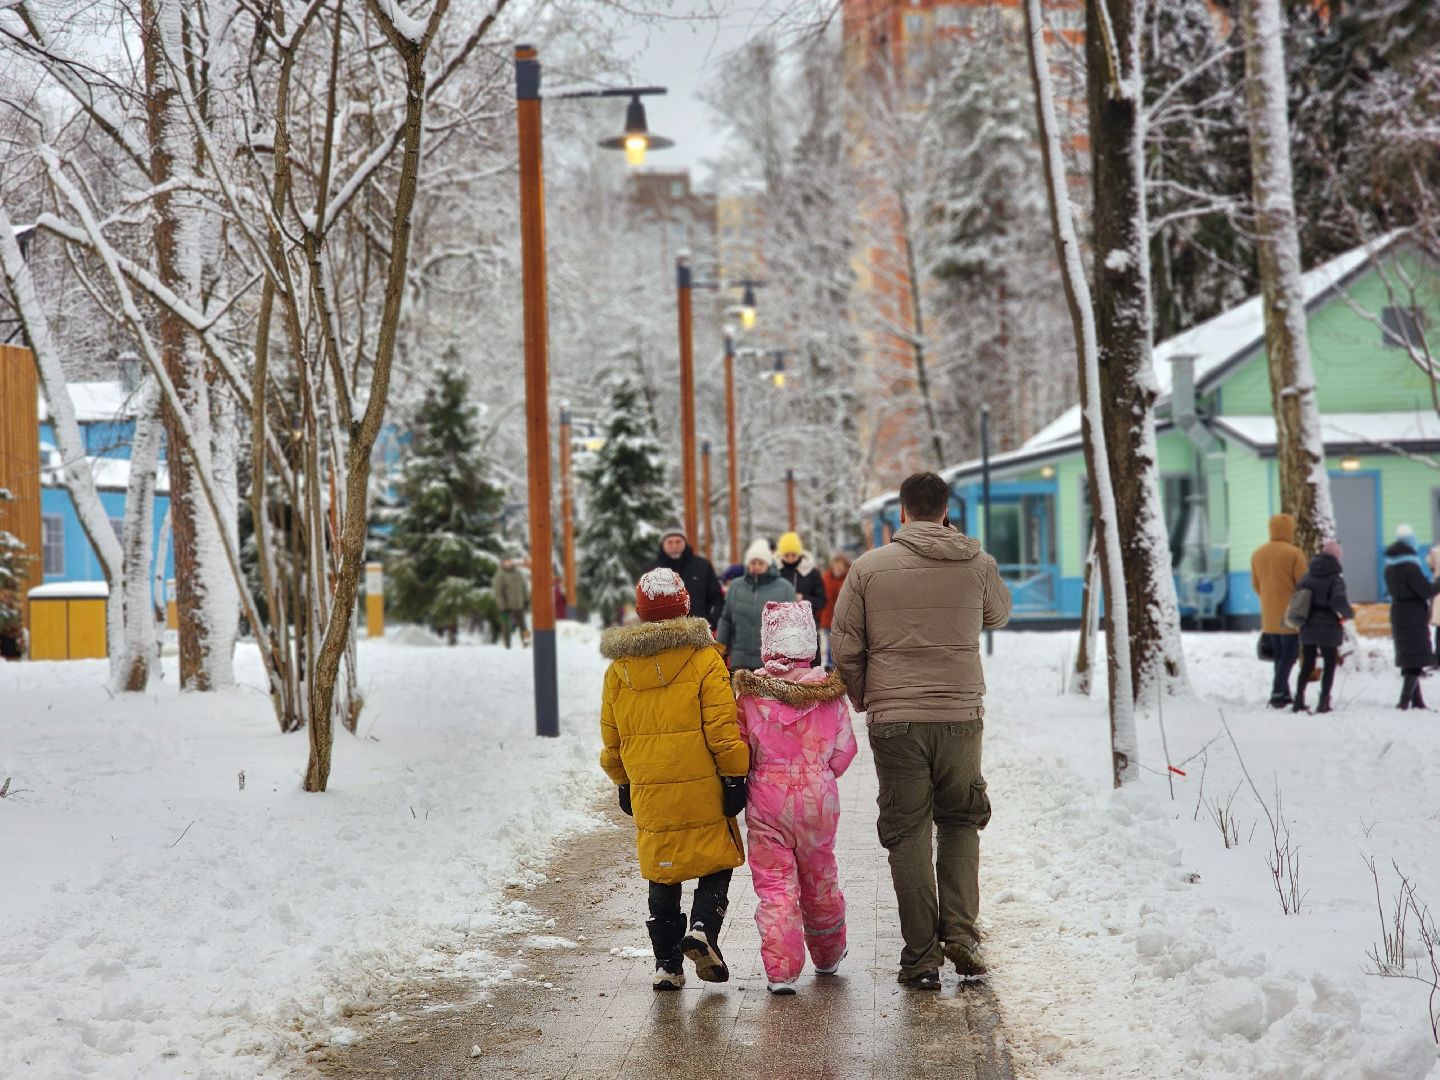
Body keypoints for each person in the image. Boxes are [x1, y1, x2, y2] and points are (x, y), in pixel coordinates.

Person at [831, 472, 1011, 990]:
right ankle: (961, 933)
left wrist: (865, 696)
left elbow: (846, 644)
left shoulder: (868, 568)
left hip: (896, 720)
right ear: (946, 509)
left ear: (902, 512)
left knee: (907, 830)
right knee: (959, 818)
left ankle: (921, 957)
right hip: (959, 715)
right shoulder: (977, 562)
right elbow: (998, 614)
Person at [598, 568, 750, 990]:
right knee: (717, 857)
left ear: (642, 613)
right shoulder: (705, 659)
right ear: (684, 606)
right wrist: (735, 776)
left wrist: (622, 780)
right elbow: (723, 729)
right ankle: (702, 928)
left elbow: (611, 736)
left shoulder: (618, 671)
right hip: (701, 784)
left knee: (662, 868)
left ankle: (667, 964)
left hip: (649, 787)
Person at [734, 601, 857, 995]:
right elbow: (844, 752)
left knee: (774, 887)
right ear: (810, 646)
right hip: (818, 803)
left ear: (768, 646)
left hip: (767, 804)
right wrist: (819, 775)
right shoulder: (829, 697)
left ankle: (782, 970)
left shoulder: (750, 699)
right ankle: (828, 954)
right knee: (820, 878)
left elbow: (740, 750)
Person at [1250, 514, 1309, 708]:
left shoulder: (1258, 553)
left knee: (1279, 656)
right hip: (1290, 613)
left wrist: (1268, 598)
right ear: (1289, 530)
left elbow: (1255, 584)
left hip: (1268, 613)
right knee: (1289, 655)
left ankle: (1283, 694)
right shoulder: (1293, 553)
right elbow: (1303, 583)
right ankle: (1277, 691)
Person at [1293, 540, 1354, 714]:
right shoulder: (1335, 579)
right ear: (1337, 558)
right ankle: (1324, 701)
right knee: (1329, 663)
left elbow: (1298, 598)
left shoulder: (1307, 576)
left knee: (1308, 663)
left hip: (1308, 624)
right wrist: (1348, 614)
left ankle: (1298, 700)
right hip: (1328, 625)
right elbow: (1338, 600)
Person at [717, 539, 794, 671]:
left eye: (761, 563)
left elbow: (791, 625)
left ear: (768, 564)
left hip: (772, 663)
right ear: (748, 564)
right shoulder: (735, 586)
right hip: (740, 661)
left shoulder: (785, 588)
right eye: (753, 562)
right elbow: (726, 620)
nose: (756, 566)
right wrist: (720, 650)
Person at [1384, 524, 1437, 710]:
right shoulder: (1410, 567)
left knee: (1410, 656)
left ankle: (1417, 700)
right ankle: (1404, 701)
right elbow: (1424, 590)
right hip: (1412, 614)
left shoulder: (1390, 567)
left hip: (1398, 612)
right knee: (1414, 658)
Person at [647, 523, 725, 629]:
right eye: (670, 542)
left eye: (678, 542)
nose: (674, 546)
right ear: (663, 544)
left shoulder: (702, 566)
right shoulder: (651, 571)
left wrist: (711, 623)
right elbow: (645, 605)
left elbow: (717, 599)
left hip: (698, 635)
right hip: (663, 636)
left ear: (685, 542)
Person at [776, 531, 827, 623]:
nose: (790, 558)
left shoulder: (812, 572)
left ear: (799, 554)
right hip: (780, 624)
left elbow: (822, 602)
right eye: (786, 555)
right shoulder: (775, 572)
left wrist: (803, 598)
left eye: (794, 555)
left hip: (806, 624)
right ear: (781, 555)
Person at [819, 552, 852, 669]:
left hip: (843, 617)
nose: (837, 568)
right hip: (828, 617)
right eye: (835, 565)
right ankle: (829, 663)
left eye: (840, 566)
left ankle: (839, 663)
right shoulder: (826, 578)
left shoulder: (849, 578)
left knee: (840, 642)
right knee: (829, 641)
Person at [492, 557, 530, 649]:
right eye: (506, 562)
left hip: (518, 604)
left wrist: (526, 600)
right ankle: (507, 645)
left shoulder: (518, 573)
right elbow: (498, 592)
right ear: (503, 563)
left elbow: (524, 587)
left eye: (510, 562)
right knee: (505, 626)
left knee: (523, 626)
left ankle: (527, 643)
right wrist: (502, 606)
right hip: (505, 606)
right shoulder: (500, 575)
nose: (508, 564)